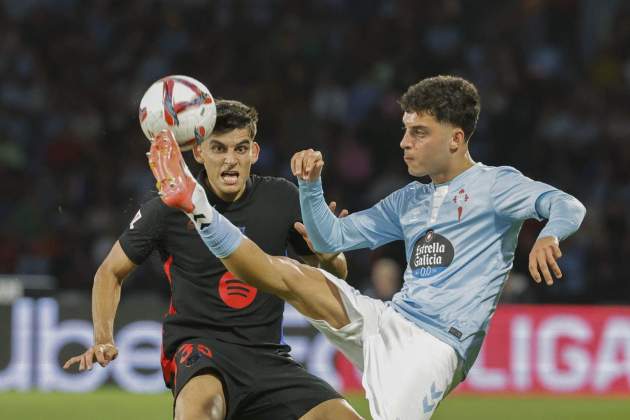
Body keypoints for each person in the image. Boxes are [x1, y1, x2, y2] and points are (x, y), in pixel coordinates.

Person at [145, 75, 585, 420]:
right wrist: (311, 187)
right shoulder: (410, 199)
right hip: (390, 319)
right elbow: (329, 240)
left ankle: (196, 204)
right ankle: (197, 205)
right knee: (291, 274)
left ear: (456, 139)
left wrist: (549, 234)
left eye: (418, 132)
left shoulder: (496, 185)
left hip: (436, 350)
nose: (404, 143)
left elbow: (565, 204)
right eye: (405, 130)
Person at [64, 100, 361, 420]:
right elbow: (110, 272)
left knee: (342, 417)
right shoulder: (170, 205)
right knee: (201, 412)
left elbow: (335, 275)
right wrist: (103, 338)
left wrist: (330, 253)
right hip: (200, 352)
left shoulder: (283, 198)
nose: (230, 160)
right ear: (199, 153)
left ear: (255, 152)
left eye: (240, 148)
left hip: (268, 357)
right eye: (218, 148)